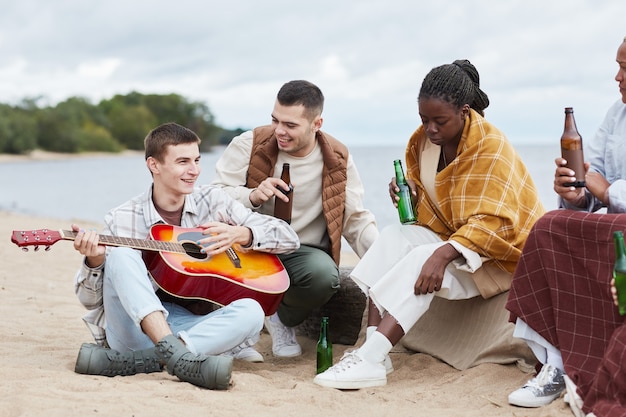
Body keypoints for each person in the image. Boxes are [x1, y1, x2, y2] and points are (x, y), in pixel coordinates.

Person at [313, 59, 545, 389]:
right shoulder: (422, 142)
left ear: (465, 112)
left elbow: (498, 222)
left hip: (500, 257)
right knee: (395, 237)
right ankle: (373, 351)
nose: (430, 129)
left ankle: (371, 358)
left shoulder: (492, 148)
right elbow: (431, 207)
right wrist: (405, 191)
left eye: (440, 121)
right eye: (424, 120)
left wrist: (442, 254)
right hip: (458, 242)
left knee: (422, 258)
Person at [71, 122, 299, 389]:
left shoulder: (212, 200)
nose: (194, 171)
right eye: (183, 162)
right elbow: (90, 302)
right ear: (154, 165)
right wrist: (95, 261)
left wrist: (242, 234)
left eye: (197, 160)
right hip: (132, 332)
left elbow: (288, 237)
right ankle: (178, 357)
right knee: (122, 255)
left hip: (188, 327)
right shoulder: (122, 218)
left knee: (252, 311)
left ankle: (150, 360)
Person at [211, 80, 378, 358]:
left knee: (326, 277)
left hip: (303, 250)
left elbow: (355, 219)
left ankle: (278, 316)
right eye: (275, 120)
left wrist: (384, 262)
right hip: (250, 245)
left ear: (316, 124)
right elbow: (214, 196)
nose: (279, 131)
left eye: (290, 125)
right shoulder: (249, 143)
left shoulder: (337, 158)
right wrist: (252, 195)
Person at [506, 37, 626, 415]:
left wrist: (606, 191)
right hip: (611, 223)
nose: (617, 76)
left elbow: (605, 186)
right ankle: (555, 365)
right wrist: (575, 194)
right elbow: (593, 175)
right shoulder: (616, 113)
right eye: (618, 65)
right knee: (549, 226)